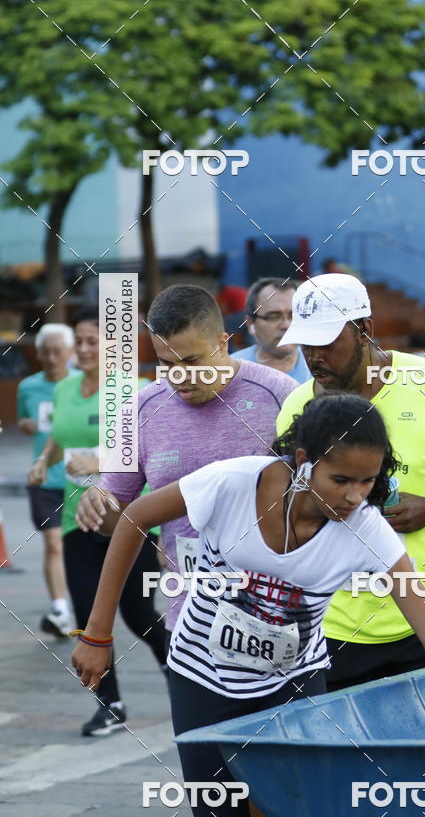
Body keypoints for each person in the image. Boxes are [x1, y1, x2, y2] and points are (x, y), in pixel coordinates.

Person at [73, 394, 425, 817]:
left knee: (292, 811)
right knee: (219, 815)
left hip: (293, 686)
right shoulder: (232, 483)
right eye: (341, 480)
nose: (355, 496)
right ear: (303, 459)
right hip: (202, 676)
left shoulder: (368, 530)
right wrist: (97, 635)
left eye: (367, 481)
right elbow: (134, 518)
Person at [276, 274, 425, 689]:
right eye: (306, 344)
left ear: (364, 329)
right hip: (340, 627)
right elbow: (286, 503)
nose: (314, 356)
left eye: (327, 342)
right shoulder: (298, 405)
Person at [75, 285, 297, 644]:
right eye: (166, 364)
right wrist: (98, 507)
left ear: (223, 343)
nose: (179, 377)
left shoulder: (281, 396)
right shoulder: (137, 411)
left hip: (279, 619)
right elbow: (118, 521)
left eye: (192, 362)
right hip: (189, 625)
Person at [28, 307, 167, 737]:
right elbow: (60, 434)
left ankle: (181, 669)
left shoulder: (135, 390)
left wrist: (101, 460)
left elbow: (153, 449)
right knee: (88, 618)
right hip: (76, 520)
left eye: (94, 342)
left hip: (129, 519)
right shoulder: (67, 388)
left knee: (139, 613)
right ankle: (111, 704)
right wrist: (42, 460)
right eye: (80, 341)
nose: (85, 350)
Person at [17, 323, 75, 637]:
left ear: (70, 352)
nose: (52, 358)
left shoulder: (82, 384)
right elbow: (26, 420)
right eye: (45, 352)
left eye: (58, 351)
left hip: (79, 478)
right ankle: (60, 608)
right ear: (37, 353)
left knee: (78, 547)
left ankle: (88, 604)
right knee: (53, 544)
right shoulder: (28, 387)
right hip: (43, 478)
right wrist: (26, 425)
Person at [232, 277, 311, 383]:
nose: (286, 325)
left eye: (294, 316)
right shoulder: (231, 373)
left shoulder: (319, 369)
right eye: (273, 316)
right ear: (251, 323)